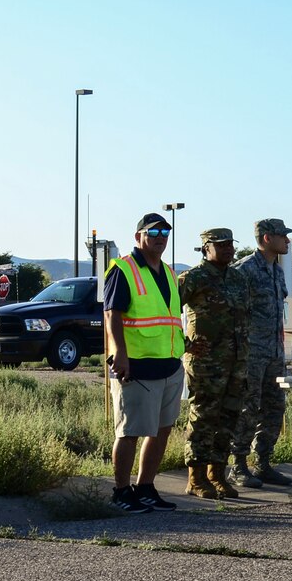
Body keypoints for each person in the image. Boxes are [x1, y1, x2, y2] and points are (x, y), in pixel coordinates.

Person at [101, 213, 185, 513]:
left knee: (162, 430)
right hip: (135, 368)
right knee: (129, 432)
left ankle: (145, 487)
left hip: (169, 366)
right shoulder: (124, 269)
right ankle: (122, 492)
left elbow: (169, 318)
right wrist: (119, 354)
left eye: (165, 231)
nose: (160, 236)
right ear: (138, 237)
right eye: (153, 232)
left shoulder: (170, 273)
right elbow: (112, 315)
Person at [176, 227, 254, 500]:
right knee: (203, 418)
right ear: (206, 248)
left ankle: (216, 475)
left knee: (228, 418)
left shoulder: (238, 278)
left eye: (230, 244)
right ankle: (195, 478)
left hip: (236, 362)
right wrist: (184, 344)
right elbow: (167, 313)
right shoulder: (192, 278)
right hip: (206, 363)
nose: (228, 249)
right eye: (221, 245)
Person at [231, 218, 292, 489]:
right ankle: (239, 466)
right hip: (251, 354)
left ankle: (264, 463)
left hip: (274, 353)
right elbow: (232, 310)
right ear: (267, 238)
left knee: (274, 408)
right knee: (248, 409)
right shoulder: (245, 270)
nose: (287, 241)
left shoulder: (276, 271)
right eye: (283, 236)